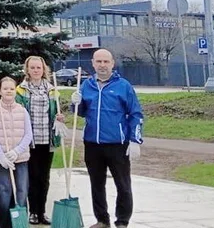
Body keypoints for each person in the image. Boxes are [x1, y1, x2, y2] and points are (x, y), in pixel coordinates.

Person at [70, 49, 144, 228]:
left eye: (106, 62)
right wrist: (75, 104)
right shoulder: (86, 85)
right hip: (92, 144)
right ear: (93, 63)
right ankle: (102, 220)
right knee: (96, 184)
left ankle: (122, 221)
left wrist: (135, 140)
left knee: (123, 185)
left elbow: (136, 113)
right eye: (99, 62)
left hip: (117, 144)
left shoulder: (123, 86)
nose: (102, 65)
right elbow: (79, 113)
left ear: (112, 63)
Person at [15, 56, 66, 226]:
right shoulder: (21, 91)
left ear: (44, 70)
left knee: (44, 177)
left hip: (47, 140)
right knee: (32, 176)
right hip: (29, 141)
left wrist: (59, 118)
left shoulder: (52, 90)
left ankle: (42, 212)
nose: (36, 70)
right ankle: (33, 212)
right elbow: (17, 113)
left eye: (39, 67)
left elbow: (56, 113)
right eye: (33, 67)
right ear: (27, 70)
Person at [0, 77, 31, 228]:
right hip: (3, 159)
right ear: (0, 91)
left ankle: (18, 222)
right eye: (5, 88)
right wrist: (1, 156)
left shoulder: (22, 110)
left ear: (16, 91)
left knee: (21, 189)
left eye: (11, 89)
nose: (8, 91)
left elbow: (28, 135)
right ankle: (4, 222)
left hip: (20, 158)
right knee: (3, 190)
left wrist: (16, 152)